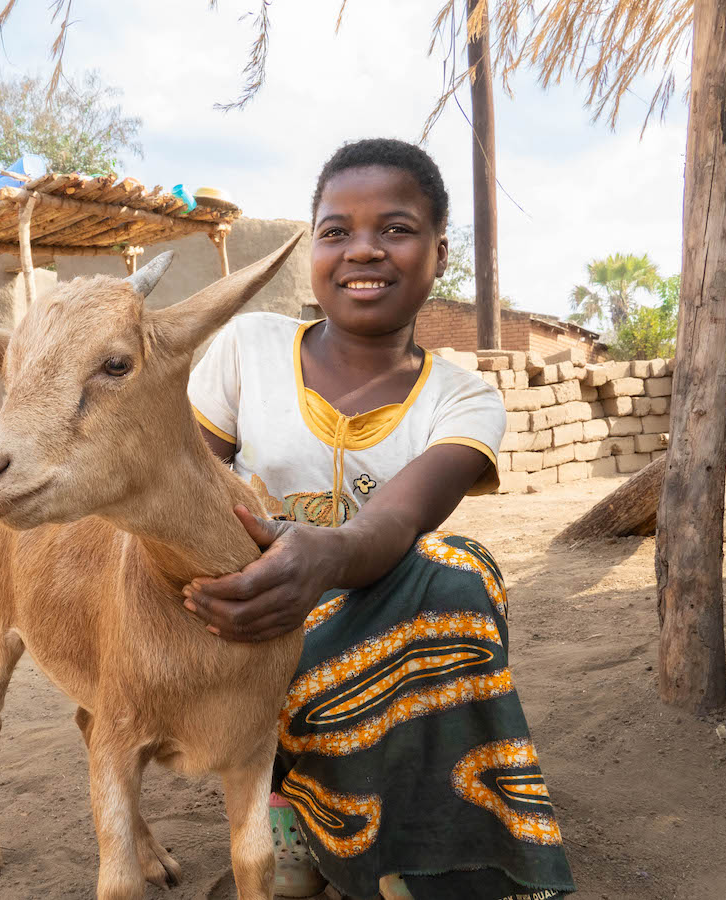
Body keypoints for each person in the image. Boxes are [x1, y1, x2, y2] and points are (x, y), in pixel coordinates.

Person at [181, 139, 575, 900]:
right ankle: (289, 808)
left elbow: (396, 524)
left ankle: (410, 853)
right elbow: (183, 489)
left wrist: (321, 560)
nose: (363, 249)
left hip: (375, 619)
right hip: (245, 620)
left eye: (394, 229)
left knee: (460, 575)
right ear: (314, 250)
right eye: (336, 231)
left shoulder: (463, 398)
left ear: (438, 251)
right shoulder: (246, 349)